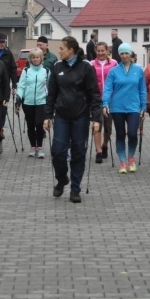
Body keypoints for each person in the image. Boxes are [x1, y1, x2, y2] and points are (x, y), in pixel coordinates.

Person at [45, 36, 101, 202]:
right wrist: (47, 115)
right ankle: (62, 179)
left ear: (71, 50)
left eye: (62, 48)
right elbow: (51, 94)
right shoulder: (57, 67)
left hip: (81, 116)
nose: (59, 51)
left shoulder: (86, 67)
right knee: (57, 152)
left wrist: (95, 118)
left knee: (78, 153)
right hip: (61, 115)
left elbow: (94, 94)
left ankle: (75, 189)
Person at [102, 42, 146, 174]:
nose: (125, 56)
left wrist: (144, 106)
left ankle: (131, 158)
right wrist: (105, 104)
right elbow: (108, 88)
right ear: (119, 55)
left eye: (127, 53)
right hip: (117, 107)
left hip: (133, 107)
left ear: (131, 54)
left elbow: (142, 89)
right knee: (120, 134)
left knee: (132, 133)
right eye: (122, 53)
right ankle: (122, 161)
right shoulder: (114, 71)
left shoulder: (138, 70)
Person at [16, 48, 49, 158]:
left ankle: (39, 147)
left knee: (39, 124)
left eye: (37, 57)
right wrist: (18, 98)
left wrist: (50, 99)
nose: (35, 59)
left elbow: (50, 86)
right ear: (30, 59)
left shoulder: (46, 71)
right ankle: (32, 146)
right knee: (30, 125)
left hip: (41, 101)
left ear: (41, 58)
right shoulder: (26, 71)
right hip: (28, 102)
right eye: (33, 57)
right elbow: (21, 86)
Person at [90, 41, 117, 163]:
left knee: (108, 126)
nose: (100, 53)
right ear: (95, 51)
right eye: (98, 51)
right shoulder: (91, 64)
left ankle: (105, 144)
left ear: (107, 51)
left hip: (110, 99)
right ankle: (98, 151)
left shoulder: (114, 63)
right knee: (97, 125)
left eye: (103, 50)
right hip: (96, 99)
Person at [0, 32, 18, 140]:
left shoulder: (8, 53)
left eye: (4, 42)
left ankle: (0, 129)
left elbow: (13, 69)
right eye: (0, 42)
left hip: (4, 85)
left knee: (3, 108)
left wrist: (14, 85)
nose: (2, 44)